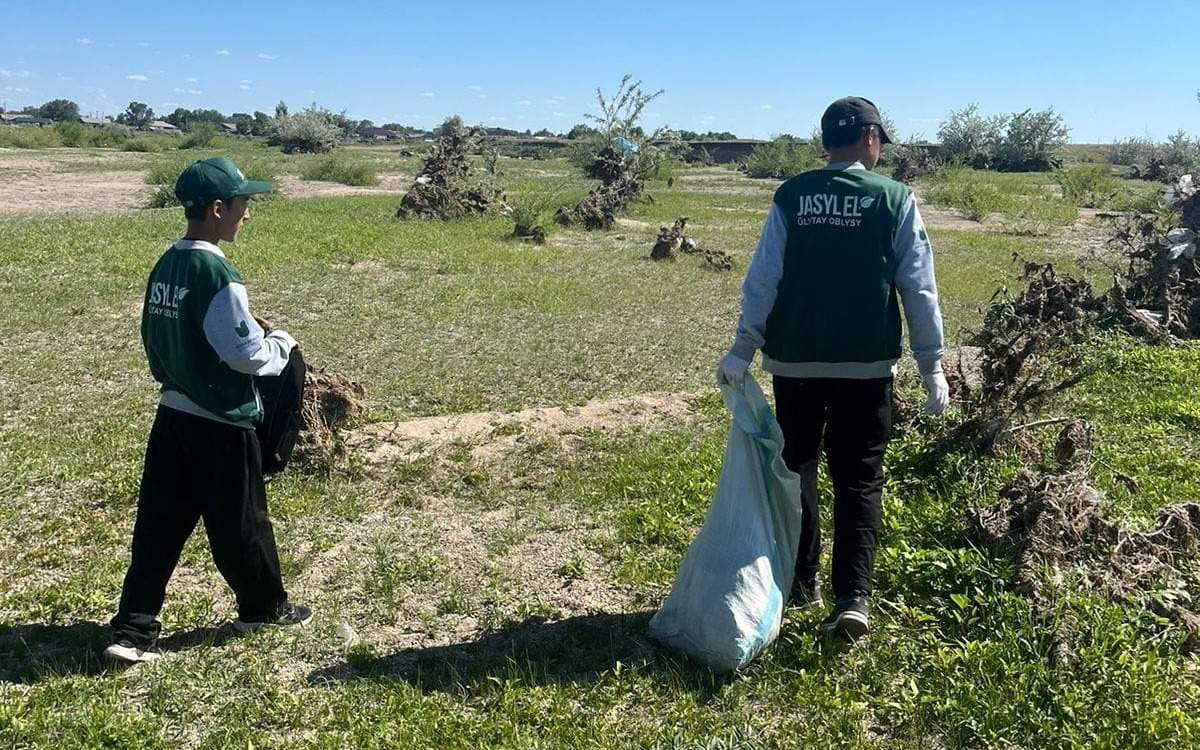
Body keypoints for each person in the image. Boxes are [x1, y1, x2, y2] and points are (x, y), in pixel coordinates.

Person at [716, 97, 948, 641]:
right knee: (859, 478)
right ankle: (854, 598)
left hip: (794, 364)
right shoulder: (895, 199)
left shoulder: (791, 196)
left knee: (798, 467)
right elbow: (918, 288)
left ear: (826, 142)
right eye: (880, 138)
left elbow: (763, 280)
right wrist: (931, 364)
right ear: (870, 138)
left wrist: (742, 349)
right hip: (866, 369)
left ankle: (801, 581)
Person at [105, 158, 311, 664]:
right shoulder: (217, 270)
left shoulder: (168, 263)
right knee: (242, 525)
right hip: (220, 422)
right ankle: (264, 609)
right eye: (243, 205)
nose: (247, 215)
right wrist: (280, 342)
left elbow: (157, 335)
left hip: (172, 415)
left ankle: (132, 630)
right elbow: (245, 355)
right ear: (218, 209)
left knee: (157, 527)